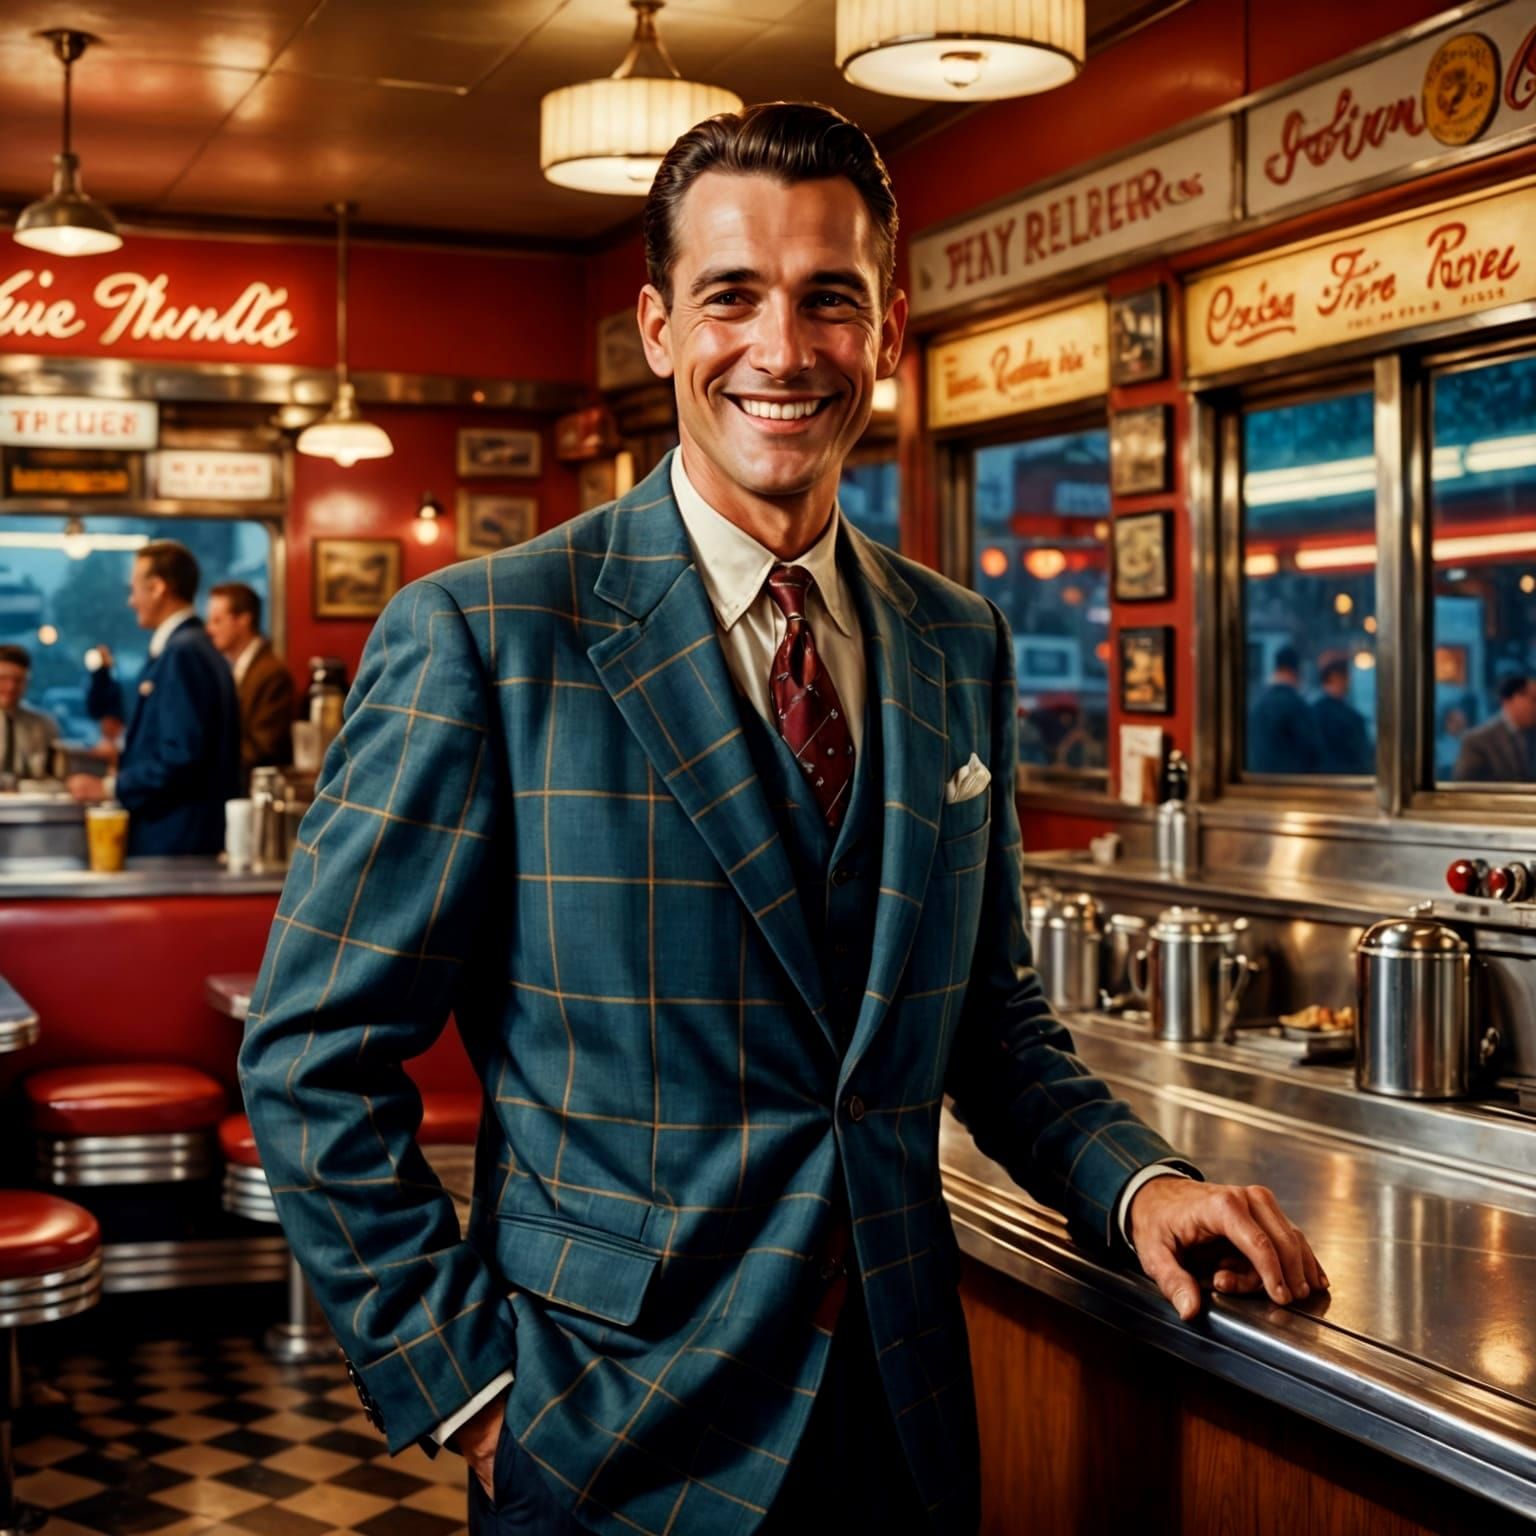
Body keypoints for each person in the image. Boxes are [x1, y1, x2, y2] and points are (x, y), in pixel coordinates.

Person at [239, 104, 1324, 1536]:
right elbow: (316, 1058)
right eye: (731, 295)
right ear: (655, 325)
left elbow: (991, 1021)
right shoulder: (488, 633)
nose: (782, 346)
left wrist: (1140, 1188)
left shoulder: (960, 641)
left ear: (887, 326)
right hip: (604, 1429)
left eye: (829, 297)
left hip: (901, 1409)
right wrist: (474, 1392)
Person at [67, 541, 241, 855]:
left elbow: (181, 756)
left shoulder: (182, 652)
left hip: (174, 835)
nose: (131, 601)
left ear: (158, 587)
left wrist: (111, 787)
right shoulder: (195, 645)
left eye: (134, 589)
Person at [205, 581, 294, 782]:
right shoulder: (235, 668)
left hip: (254, 788)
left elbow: (264, 747)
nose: (209, 629)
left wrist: (209, 766)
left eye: (217, 620)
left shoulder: (272, 673)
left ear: (244, 620)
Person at [1249, 644, 1324, 775]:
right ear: (1296, 672)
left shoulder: (1259, 705)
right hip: (1289, 785)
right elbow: (1313, 752)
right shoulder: (1297, 706)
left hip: (1258, 782)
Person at [1453, 673, 1536, 782]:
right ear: (1508, 701)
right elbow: (1465, 787)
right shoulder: (1477, 741)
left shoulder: (1532, 734)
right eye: (1534, 699)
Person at [0, 644, 59, 780]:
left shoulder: (44, 725)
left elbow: (54, 774)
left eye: (18, 680)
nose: (10, 687)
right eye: (3, 678)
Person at [1312, 655, 1373, 776]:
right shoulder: (1351, 718)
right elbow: (1363, 757)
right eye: (1347, 678)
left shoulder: (1310, 713)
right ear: (1336, 678)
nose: (1349, 682)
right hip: (1348, 781)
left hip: (1317, 783)